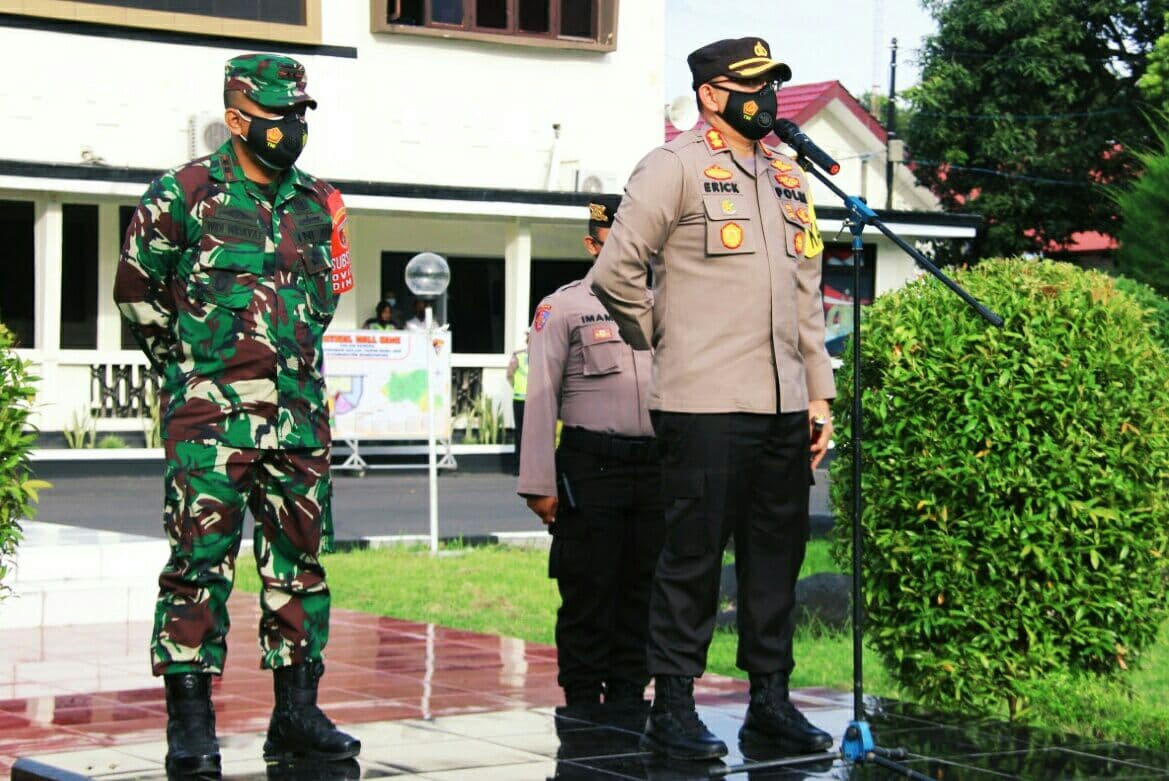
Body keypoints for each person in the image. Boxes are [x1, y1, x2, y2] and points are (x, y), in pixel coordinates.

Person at [114, 53, 360, 776]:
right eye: (277, 115)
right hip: (210, 423)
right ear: (236, 117)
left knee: (301, 567)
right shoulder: (181, 194)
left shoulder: (321, 203)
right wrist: (193, 372)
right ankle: (191, 721)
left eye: (298, 115)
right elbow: (137, 295)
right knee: (197, 567)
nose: (290, 128)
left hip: (297, 420)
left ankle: (296, 713)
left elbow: (323, 302)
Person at [590, 38, 836, 761]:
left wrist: (818, 396)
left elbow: (806, 301)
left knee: (774, 561)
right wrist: (666, 335)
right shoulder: (673, 168)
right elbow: (616, 270)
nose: (767, 99)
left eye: (772, 85)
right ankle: (671, 705)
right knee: (692, 559)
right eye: (751, 85)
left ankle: (770, 703)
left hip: (783, 407)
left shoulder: (790, 181)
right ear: (709, 93)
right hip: (702, 403)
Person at [518, 195, 666, 709]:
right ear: (591, 244)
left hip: (655, 471)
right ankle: (581, 696)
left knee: (643, 589)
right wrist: (538, 483)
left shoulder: (665, 306)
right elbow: (539, 398)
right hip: (591, 469)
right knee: (588, 588)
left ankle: (630, 691)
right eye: (612, 246)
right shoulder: (563, 308)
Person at [505, 330, 529, 475]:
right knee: (521, 434)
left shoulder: (543, 356)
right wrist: (516, 387)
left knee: (527, 434)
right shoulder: (519, 355)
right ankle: (520, 466)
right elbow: (509, 375)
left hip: (532, 401)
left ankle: (527, 467)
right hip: (521, 400)